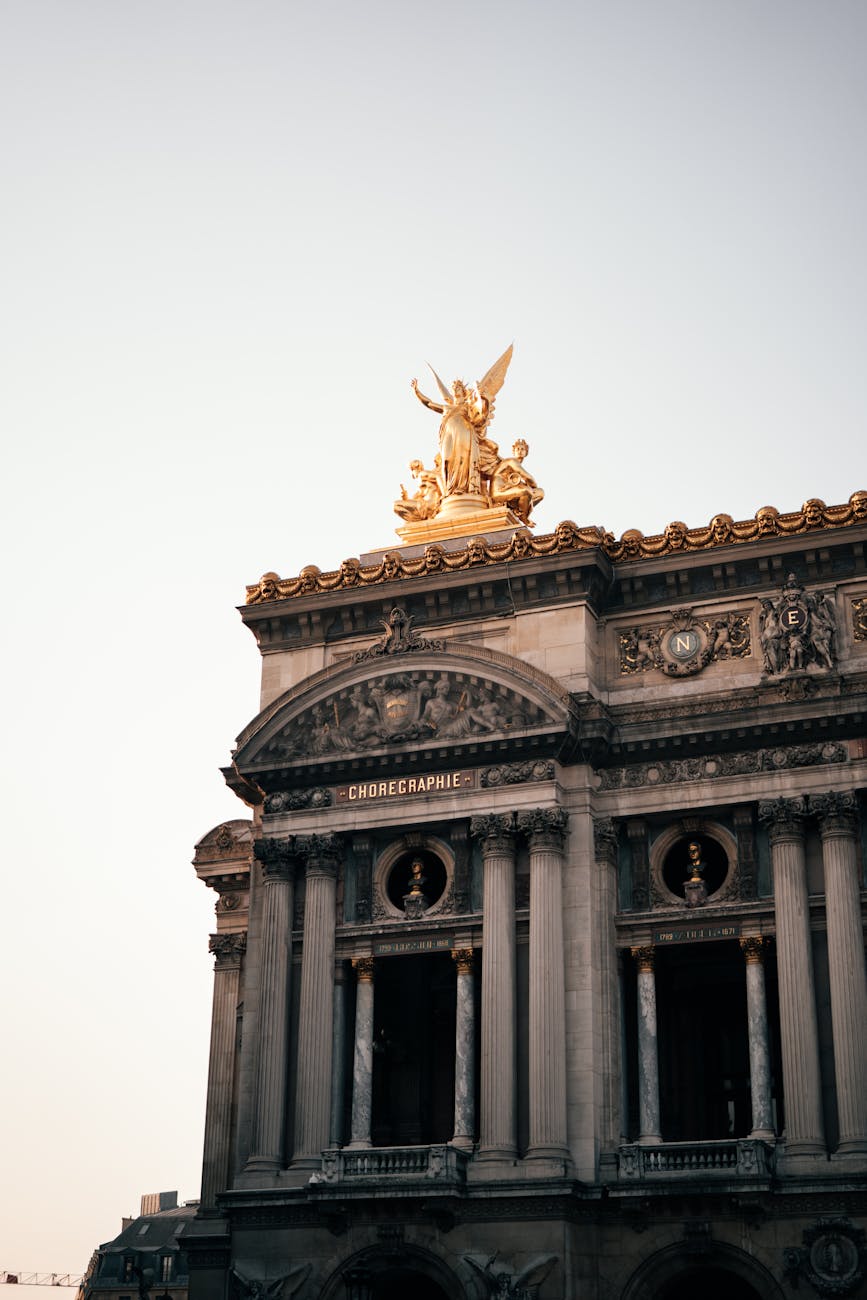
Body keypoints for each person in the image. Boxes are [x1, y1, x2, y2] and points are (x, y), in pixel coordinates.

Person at [489, 439, 544, 523]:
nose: (520, 451)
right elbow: (526, 476)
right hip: (498, 493)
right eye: (517, 449)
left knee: (540, 493)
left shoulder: (514, 468)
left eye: (522, 449)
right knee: (526, 491)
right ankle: (523, 517)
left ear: (526, 452)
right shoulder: (511, 461)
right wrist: (533, 485)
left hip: (508, 492)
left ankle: (518, 510)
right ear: (513, 451)